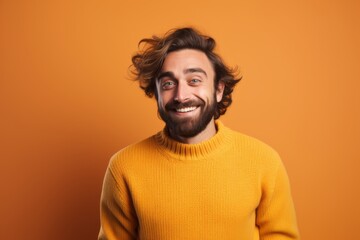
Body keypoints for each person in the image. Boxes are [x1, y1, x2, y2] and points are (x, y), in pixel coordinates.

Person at [98, 27, 299, 240]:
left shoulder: (264, 161)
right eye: (168, 84)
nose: (181, 95)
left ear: (219, 89)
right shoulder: (124, 167)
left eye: (194, 80)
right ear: (156, 94)